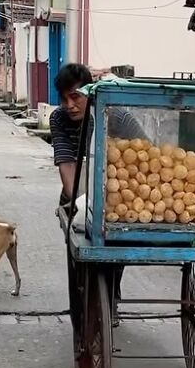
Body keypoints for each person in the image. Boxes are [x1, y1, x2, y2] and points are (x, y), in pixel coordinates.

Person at [50, 62, 145, 323]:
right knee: (80, 251)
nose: (69, 105)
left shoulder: (117, 117)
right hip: (77, 190)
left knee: (116, 247)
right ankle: (84, 301)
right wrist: (82, 206)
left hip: (117, 190)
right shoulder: (58, 119)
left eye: (76, 97)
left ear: (89, 93)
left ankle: (110, 297)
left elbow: (145, 155)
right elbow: (67, 164)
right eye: (64, 98)